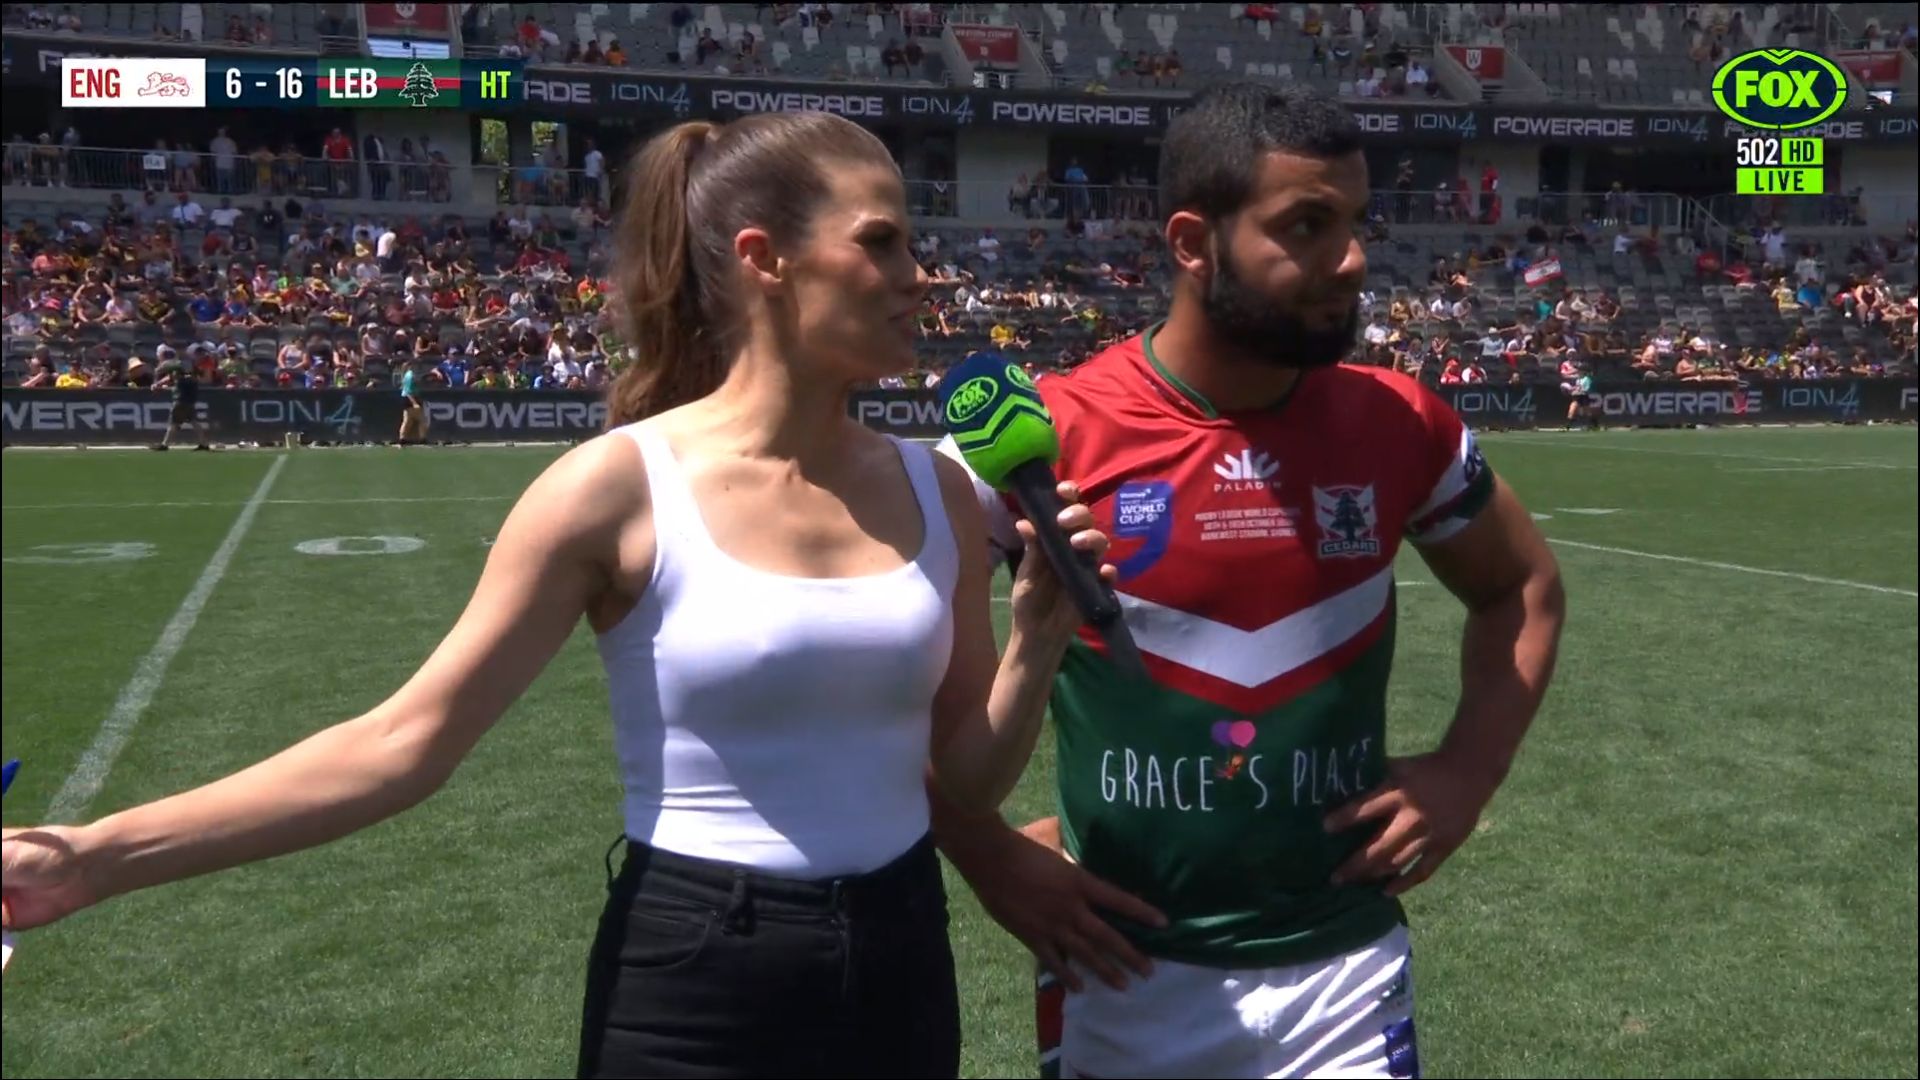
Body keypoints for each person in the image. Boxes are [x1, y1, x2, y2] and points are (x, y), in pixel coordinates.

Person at [0, 111, 1117, 1079]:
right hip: (693, 975)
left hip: (901, 961)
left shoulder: (939, 489)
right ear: (766, 258)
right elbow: (402, 745)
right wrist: (93, 857)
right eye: (882, 242)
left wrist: (1034, 641)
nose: (921, 274)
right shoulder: (615, 489)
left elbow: (969, 780)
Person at [931, 83, 1567, 1078]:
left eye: (1355, 223)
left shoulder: (1400, 422)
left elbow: (1521, 587)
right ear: (1194, 242)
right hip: (1118, 973)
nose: (1351, 260)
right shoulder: (1045, 435)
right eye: (1307, 225)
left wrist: (1467, 770)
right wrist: (987, 854)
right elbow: (873, 665)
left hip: (1342, 970)